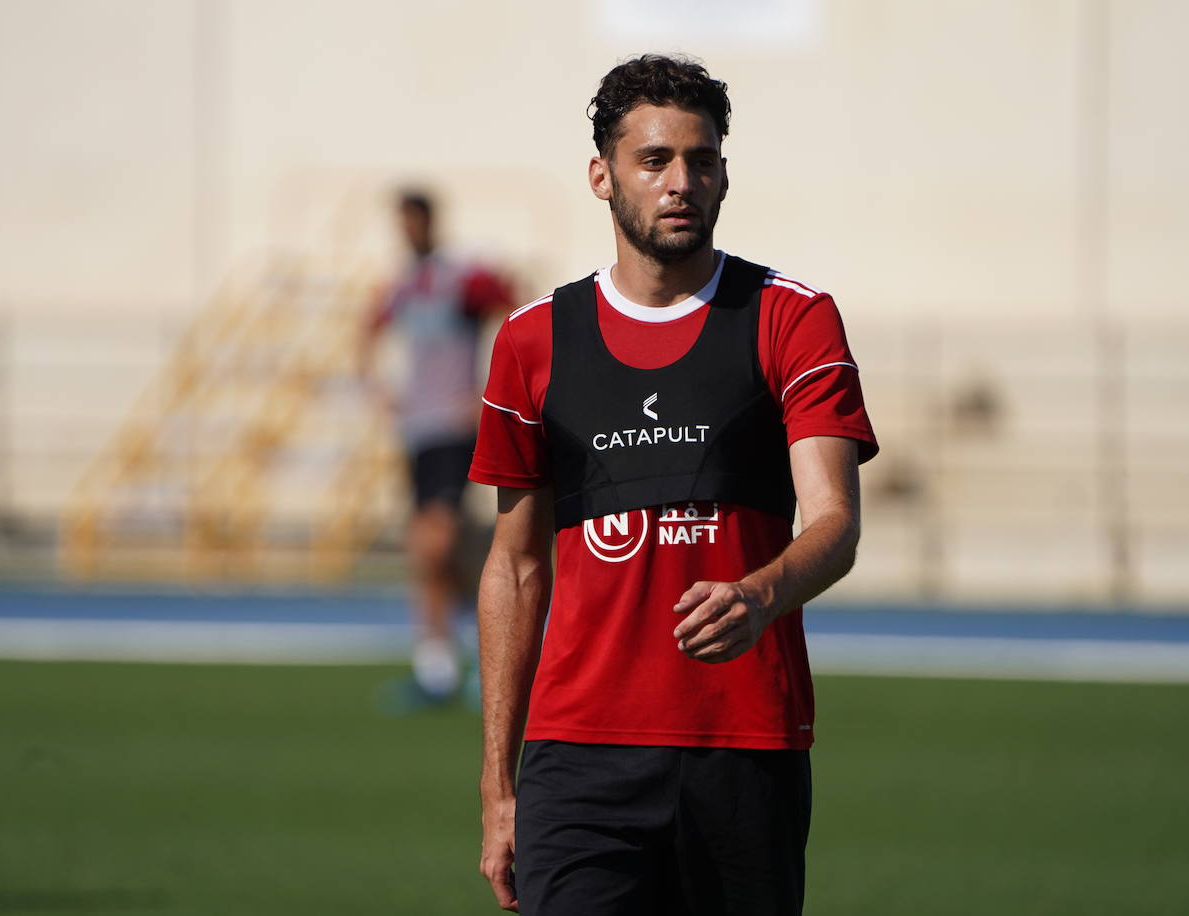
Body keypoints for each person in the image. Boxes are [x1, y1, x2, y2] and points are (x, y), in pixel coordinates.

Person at [469, 55, 878, 914]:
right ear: (603, 175)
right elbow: (513, 569)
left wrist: (762, 594)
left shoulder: (791, 317)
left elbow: (835, 520)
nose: (680, 182)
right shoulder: (533, 340)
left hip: (745, 746)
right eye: (654, 160)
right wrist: (497, 788)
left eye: (701, 159)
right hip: (576, 756)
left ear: (725, 172)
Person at [359, 190, 513, 708]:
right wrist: (376, 388)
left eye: (413, 222)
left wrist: (491, 390)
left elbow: (519, 313)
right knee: (425, 549)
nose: (408, 231)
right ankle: (436, 667)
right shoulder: (402, 284)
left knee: (441, 542)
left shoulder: (461, 278)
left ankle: (479, 652)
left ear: (429, 222)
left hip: (453, 427)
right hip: (417, 432)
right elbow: (367, 331)